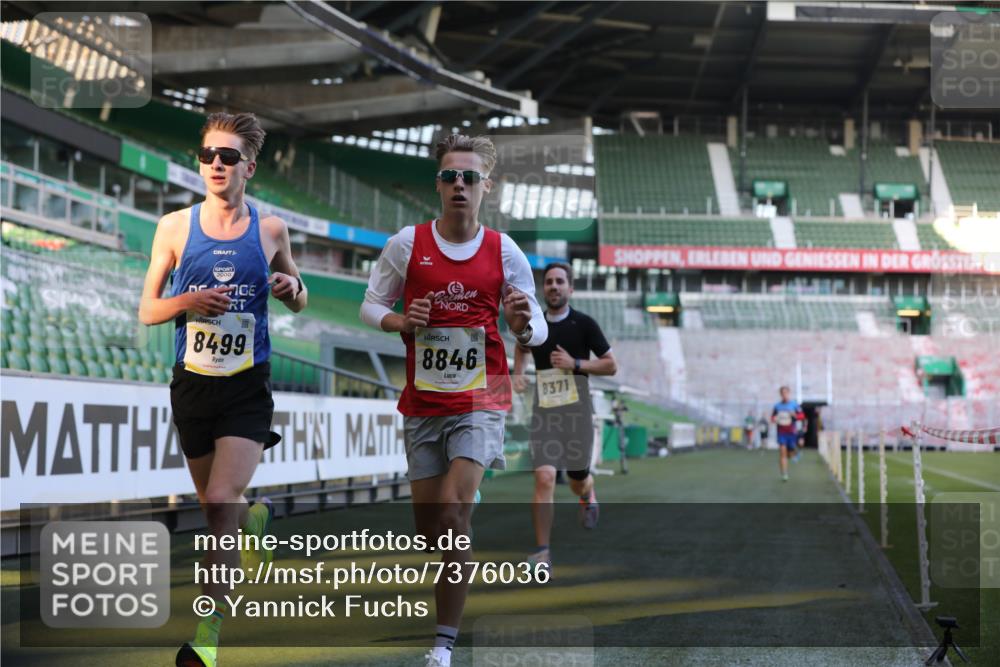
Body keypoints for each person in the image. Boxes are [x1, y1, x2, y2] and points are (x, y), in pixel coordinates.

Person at [359, 134, 547, 667]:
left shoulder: (504, 251)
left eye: (468, 177)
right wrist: (401, 321)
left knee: (452, 515)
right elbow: (371, 306)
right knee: (432, 531)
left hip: (480, 401)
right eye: (450, 176)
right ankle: (462, 504)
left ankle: (442, 645)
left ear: (486, 186)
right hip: (423, 404)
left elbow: (534, 333)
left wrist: (520, 324)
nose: (458, 185)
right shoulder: (406, 243)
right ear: (438, 184)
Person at [138, 112, 308, 667]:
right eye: (208, 154)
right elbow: (148, 310)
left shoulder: (271, 229)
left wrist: (290, 287)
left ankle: (207, 637)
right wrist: (189, 301)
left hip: (246, 386)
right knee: (221, 514)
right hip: (192, 385)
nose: (215, 164)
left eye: (228, 156)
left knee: (216, 501)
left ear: (248, 167)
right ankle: (254, 520)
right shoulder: (174, 227)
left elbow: (299, 295)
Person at [512, 262, 617, 572]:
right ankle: (542, 552)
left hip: (577, 415)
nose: (554, 287)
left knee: (576, 480)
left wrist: (576, 362)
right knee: (544, 477)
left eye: (560, 282)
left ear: (570, 289)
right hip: (545, 413)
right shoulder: (535, 324)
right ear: (543, 289)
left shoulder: (584, 324)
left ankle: (588, 493)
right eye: (549, 282)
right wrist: (519, 374)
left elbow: (611, 365)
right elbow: (521, 346)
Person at [771, 386, 804, 481]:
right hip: (781, 433)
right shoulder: (777, 406)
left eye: (786, 393)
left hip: (792, 433)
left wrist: (794, 415)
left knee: (790, 454)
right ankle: (784, 474)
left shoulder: (794, 405)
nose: (784, 395)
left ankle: (794, 453)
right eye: (782, 393)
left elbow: (802, 416)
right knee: (782, 452)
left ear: (789, 393)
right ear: (780, 394)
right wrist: (775, 419)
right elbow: (772, 418)